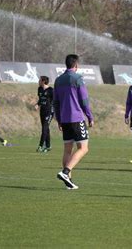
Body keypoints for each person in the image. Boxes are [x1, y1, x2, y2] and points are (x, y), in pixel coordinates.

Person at [54, 54, 94, 190]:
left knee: (67, 150)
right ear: (76, 65)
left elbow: (56, 102)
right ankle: (65, 173)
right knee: (83, 148)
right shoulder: (78, 78)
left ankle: (68, 182)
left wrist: (59, 119)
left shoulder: (58, 80)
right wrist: (90, 116)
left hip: (64, 120)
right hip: (76, 118)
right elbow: (84, 100)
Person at [35, 76, 54, 153]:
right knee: (46, 129)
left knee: (44, 128)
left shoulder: (51, 90)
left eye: (39, 80)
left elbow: (55, 101)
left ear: (43, 81)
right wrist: (37, 104)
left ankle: (40, 145)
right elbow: (41, 99)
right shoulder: (39, 89)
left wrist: (54, 110)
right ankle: (48, 146)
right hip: (42, 111)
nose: (38, 81)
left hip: (49, 112)